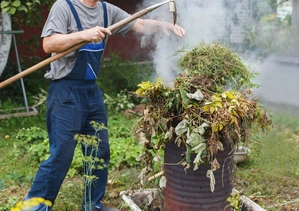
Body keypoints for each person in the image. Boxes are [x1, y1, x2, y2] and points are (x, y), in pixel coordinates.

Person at [24, 0, 186, 211]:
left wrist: (162, 24)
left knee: (99, 150)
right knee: (62, 154)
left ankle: (92, 205)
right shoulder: (64, 7)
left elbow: (139, 24)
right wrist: (84, 34)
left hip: (90, 91)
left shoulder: (106, 10)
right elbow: (49, 44)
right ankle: (34, 207)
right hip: (65, 91)